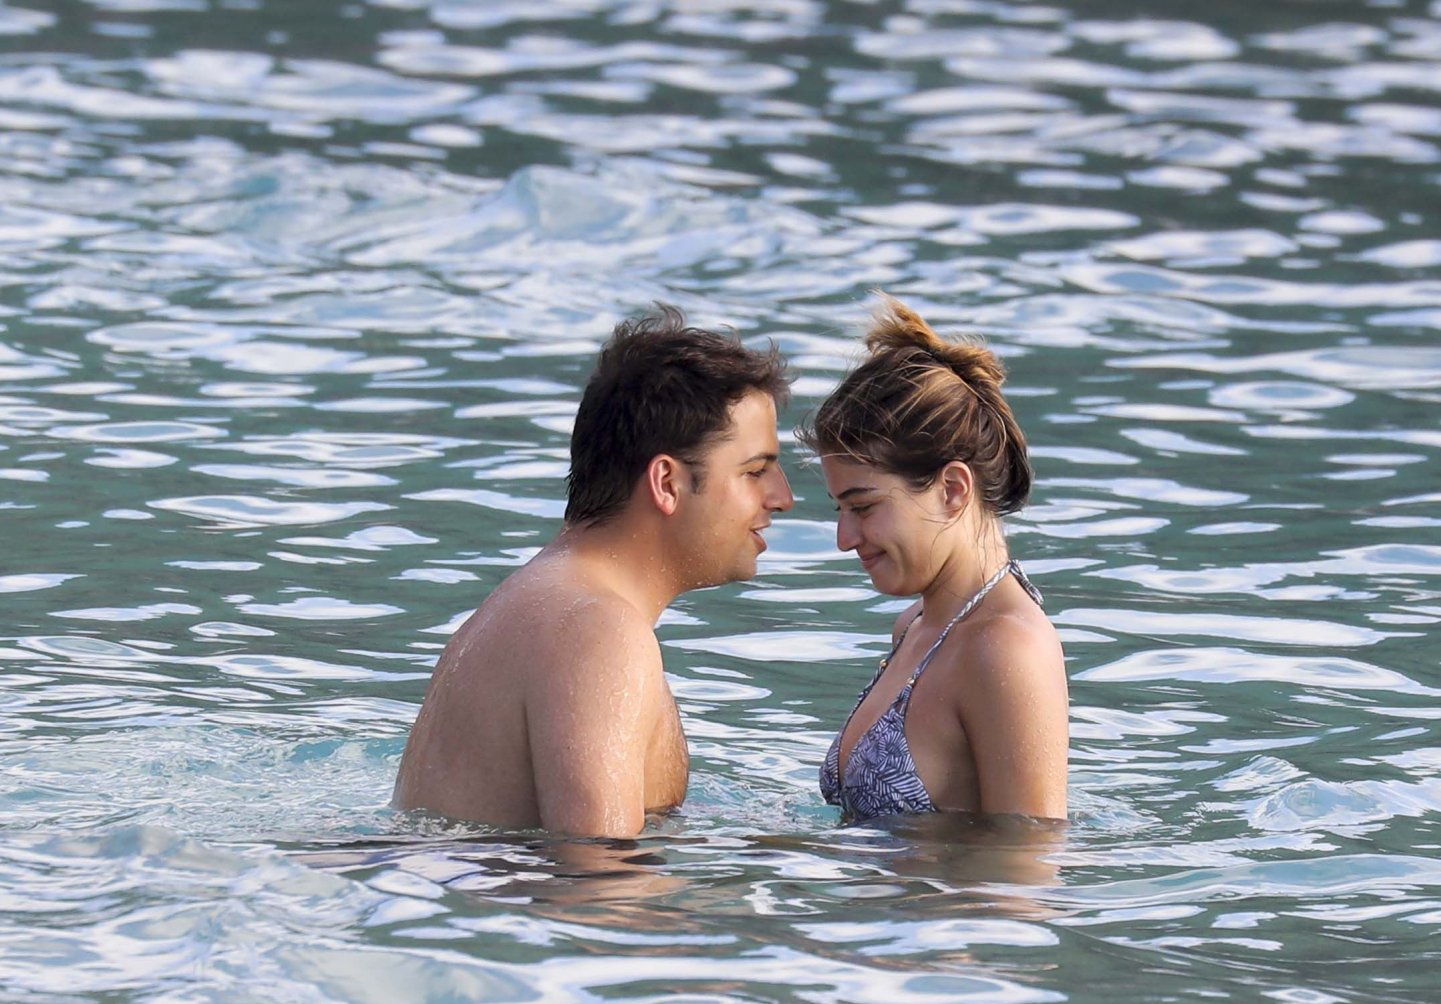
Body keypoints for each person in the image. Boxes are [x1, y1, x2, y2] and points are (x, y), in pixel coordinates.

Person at [392, 305, 793, 836]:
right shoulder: (597, 631)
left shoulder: (544, 602)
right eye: (755, 471)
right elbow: (600, 874)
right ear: (667, 483)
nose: (782, 497)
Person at [799, 297, 1068, 822]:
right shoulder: (914, 627)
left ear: (952, 489)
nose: (844, 538)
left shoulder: (1008, 649)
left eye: (863, 507)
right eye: (839, 509)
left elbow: (1029, 861)